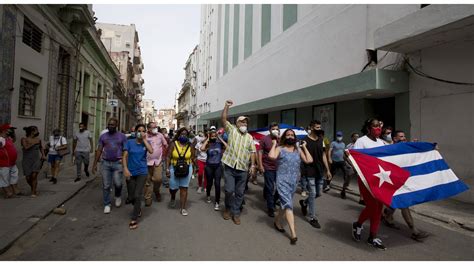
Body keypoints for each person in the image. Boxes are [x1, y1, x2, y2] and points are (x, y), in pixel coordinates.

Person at [381, 130, 429, 242]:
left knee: (396, 201)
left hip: (403, 180)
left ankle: (387, 217)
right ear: (395, 139)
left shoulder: (405, 147)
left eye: (404, 136)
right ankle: (414, 231)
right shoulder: (389, 150)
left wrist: (417, 146)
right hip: (392, 181)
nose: (404, 138)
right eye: (401, 136)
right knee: (404, 203)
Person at [269, 129, 313, 245]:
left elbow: (309, 160)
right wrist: (274, 144)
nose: (290, 136)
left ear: (294, 137)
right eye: (287, 135)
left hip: (293, 182)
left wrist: (304, 147)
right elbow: (272, 157)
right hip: (282, 181)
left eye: (292, 135)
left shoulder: (298, 150)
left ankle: (277, 221)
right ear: (284, 137)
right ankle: (293, 234)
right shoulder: (280, 149)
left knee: (284, 204)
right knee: (288, 205)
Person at [351, 118, 387, 250]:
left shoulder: (381, 142)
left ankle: (372, 237)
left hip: (381, 179)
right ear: (368, 128)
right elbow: (356, 160)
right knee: (372, 207)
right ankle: (358, 224)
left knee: (378, 209)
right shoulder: (361, 141)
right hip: (367, 179)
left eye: (380, 126)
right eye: (375, 126)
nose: (378, 128)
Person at [220, 100, 257, 225]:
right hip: (230, 166)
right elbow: (224, 119)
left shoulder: (249, 137)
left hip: (242, 169)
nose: (244, 124)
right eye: (242, 121)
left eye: (246, 122)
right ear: (237, 123)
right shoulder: (232, 130)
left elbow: (252, 151)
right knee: (229, 190)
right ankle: (228, 208)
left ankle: (236, 213)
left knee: (240, 193)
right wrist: (226, 106)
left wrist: (252, 165)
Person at [299, 120, 331, 229]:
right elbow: (301, 157)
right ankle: (312, 217)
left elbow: (323, 155)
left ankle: (304, 202)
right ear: (312, 128)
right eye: (317, 127)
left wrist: (328, 170)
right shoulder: (304, 141)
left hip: (319, 170)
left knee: (319, 193)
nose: (319, 129)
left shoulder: (321, 140)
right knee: (312, 193)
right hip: (309, 171)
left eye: (320, 127)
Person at [92, 118, 127, 214]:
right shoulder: (103, 136)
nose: (110, 126)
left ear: (117, 125)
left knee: (118, 183)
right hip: (105, 163)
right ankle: (107, 204)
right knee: (106, 185)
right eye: (109, 124)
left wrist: (125, 163)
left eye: (112, 125)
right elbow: (99, 150)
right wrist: (95, 164)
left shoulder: (122, 137)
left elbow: (125, 151)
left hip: (117, 163)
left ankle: (118, 195)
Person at [123, 124, 153, 229]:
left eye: (143, 131)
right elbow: (125, 156)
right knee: (131, 197)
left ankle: (134, 218)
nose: (141, 132)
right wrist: (125, 169)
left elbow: (151, 151)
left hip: (142, 172)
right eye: (139, 131)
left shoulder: (146, 143)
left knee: (137, 195)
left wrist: (144, 140)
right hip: (130, 172)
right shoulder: (129, 142)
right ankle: (137, 207)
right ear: (135, 132)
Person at [166, 127, 195, 216]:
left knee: (184, 188)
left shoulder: (190, 145)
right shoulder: (173, 144)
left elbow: (193, 157)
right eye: (182, 134)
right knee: (173, 188)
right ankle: (173, 196)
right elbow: (168, 157)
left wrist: (196, 169)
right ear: (178, 135)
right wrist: (167, 168)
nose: (184, 136)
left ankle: (183, 208)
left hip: (187, 168)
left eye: (185, 134)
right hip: (174, 167)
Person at [200, 129, 227, 210]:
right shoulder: (208, 144)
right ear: (210, 136)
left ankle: (217, 202)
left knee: (217, 184)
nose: (214, 136)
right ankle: (208, 195)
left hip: (218, 166)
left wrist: (220, 138)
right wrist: (208, 139)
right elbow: (201, 148)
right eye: (212, 135)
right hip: (209, 166)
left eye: (215, 135)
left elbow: (227, 147)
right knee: (209, 183)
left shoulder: (219, 144)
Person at [258, 122, 281, 217]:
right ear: (270, 130)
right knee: (270, 187)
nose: (275, 130)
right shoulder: (264, 139)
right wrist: (260, 165)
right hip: (268, 167)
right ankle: (270, 207)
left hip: (279, 167)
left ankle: (273, 199)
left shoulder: (281, 139)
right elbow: (260, 152)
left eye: (277, 129)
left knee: (280, 188)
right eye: (273, 129)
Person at [144, 122, 168, 206]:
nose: (155, 129)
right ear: (148, 129)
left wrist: (164, 154)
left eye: (156, 127)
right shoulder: (145, 136)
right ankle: (148, 197)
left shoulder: (160, 135)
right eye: (153, 127)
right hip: (146, 162)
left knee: (158, 179)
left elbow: (165, 144)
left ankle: (156, 190)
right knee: (147, 181)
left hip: (158, 161)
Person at [21, 126, 45, 197]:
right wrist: (34, 143)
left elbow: (41, 148)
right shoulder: (24, 139)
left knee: (34, 176)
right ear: (32, 131)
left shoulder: (38, 140)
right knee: (28, 178)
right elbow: (26, 147)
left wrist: (43, 155)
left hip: (36, 160)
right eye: (36, 130)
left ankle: (33, 192)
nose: (37, 131)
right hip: (27, 160)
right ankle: (33, 188)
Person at [0, 124, 20, 198]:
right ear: (4, 130)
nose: (12, 131)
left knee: (14, 176)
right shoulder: (1, 139)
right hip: (4, 163)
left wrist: (13, 134)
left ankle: (16, 191)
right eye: (10, 129)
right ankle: (8, 193)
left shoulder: (8, 138)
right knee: (4, 178)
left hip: (12, 163)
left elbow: (14, 140)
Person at [329, 131, 348, 199]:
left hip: (342, 161)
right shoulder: (333, 143)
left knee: (346, 175)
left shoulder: (343, 144)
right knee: (332, 173)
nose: (339, 137)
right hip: (334, 161)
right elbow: (330, 151)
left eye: (340, 136)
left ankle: (343, 191)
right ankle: (327, 184)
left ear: (342, 136)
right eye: (338, 136)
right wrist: (329, 158)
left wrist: (347, 160)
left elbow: (345, 152)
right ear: (336, 136)